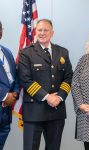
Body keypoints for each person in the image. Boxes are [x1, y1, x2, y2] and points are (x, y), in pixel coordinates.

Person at [18, 19, 73, 150]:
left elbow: (68, 77)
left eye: (46, 30)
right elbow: (25, 80)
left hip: (56, 110)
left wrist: (59, 97)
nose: (42, 33)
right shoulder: (26, 53)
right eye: (39, 30)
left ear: (52, 33)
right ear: (35, 32)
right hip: (34, 111)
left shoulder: (62, 52)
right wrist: (48, 97)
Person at [0, 21, 19, 150]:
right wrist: (4, 96)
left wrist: (15, 94)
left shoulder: (7, 52)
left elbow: (16, 76)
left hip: (5, 114)